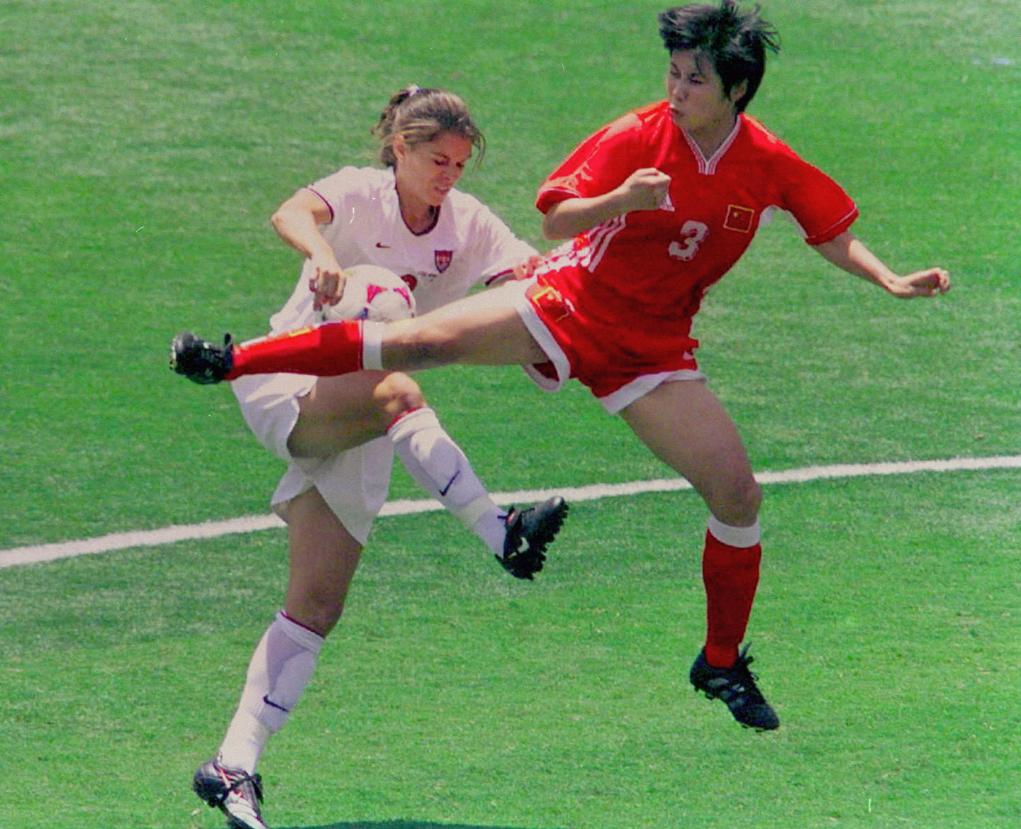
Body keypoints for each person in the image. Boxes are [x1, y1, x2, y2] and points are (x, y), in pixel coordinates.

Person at [173, 2, 951, 739]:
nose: (676, 89)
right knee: (412, 343)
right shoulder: (638, 134)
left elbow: (826, 228)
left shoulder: (765, 162)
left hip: (652, 349)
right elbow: (554, 216)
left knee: (737, 495)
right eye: (673, 72)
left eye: (694, 79)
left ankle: (720, 662)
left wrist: (887, 278)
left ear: (736, 91)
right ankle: (232, 359)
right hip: (570, 304)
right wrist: (623, 198)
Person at [178, 86, 568, 829]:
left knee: (315, 606)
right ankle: (500, 532)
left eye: (459, 164)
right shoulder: (360, 193)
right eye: (437, 160)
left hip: (360, 419)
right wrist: (322, 254)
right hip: (288, 384)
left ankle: (231, 766)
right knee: (392, 350)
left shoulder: (468, 222)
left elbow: (528, 276)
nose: (449, 175)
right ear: (399, 148)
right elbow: (291, 213)